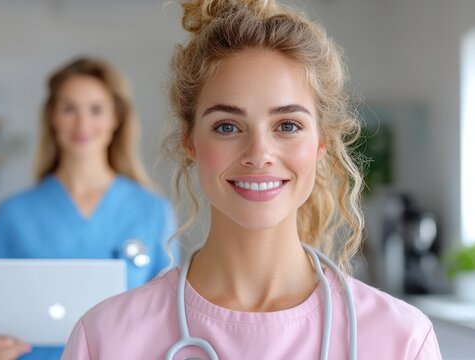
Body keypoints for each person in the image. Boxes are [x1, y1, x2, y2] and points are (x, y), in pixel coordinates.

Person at [62, 1, 443, 359]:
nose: (259, 153)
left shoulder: (402, 340)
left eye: (288, 125)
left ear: (322, 141)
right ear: (189, 139)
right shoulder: (104, 340)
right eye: (227, 126)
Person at [0, 57, 177, 360]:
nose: (82, 124)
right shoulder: (15, 213)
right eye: (69, 109)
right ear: (52, 118)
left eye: (96, 110)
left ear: (115, 119)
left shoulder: (152, 210)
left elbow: (171, 311)